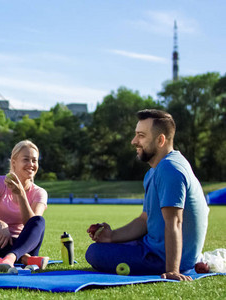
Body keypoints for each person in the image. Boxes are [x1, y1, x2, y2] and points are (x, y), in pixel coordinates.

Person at [85, 109, 209, 281]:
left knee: (95, 253)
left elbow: (175, 221)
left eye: (141, 136)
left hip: (164, 258)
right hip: (153, 246)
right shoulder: (154, 171)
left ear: (160, 140)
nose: (134, 141)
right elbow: (144, 220)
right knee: (104, 246)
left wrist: (172, 270)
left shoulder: (170, 168)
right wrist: (111, 236)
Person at [0, 140, 48, 271]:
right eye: (26, 159)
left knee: (39, 220)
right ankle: (24, 259)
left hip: (23, 245)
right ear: (14, 162)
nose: (31, 164)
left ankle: (11, 257)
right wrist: (2, 224)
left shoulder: (40, 193)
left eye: (34, 160)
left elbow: (32, 223)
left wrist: (21, 195)